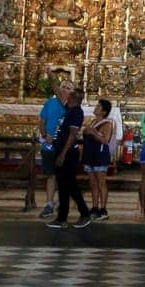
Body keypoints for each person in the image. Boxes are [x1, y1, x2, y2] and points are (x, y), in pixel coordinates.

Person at [47, 84, 91, 229]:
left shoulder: (76, 112)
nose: (67, 96)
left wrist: (63, 154)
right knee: (64, 186)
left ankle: (84, 214)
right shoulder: (69, 109)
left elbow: (72, 135)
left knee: (71, 185)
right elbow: (58, 92)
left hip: (68, 153)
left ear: (73, 98)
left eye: (70, 94)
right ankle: (62, 217)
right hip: (62, 151)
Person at [38, 76, 72, 218]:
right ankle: (49, 204)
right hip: (49, 145)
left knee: (64, 176)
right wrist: (45, 135)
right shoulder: (50, 102)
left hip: (63, 147)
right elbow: (42, 120)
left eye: (68, 88)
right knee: (50, 175)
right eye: (63, 87)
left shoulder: (71, 106)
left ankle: (62, 203)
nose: (65, 90)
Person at [82, 98, 115, 220]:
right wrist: (88, 130)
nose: (96, 108)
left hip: (100, 155)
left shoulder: (107, 124)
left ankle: (103, 209)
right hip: (90, 154)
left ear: (104, 111)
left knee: (101, 183)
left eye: (99, 106)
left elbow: (105, 140)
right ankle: (95, 206)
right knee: (93, 183)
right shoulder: (93, 121)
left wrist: (93, 132)